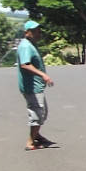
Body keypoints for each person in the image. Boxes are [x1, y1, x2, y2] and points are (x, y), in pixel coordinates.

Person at [17, 20, 55, 150]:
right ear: (27, 33)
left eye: (39, 31)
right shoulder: (26, 46)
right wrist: (43, 75)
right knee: (37, 114)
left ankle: (36, 134)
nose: (38, 34)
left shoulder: (31, 45)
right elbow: (25, 65)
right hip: (31, 87)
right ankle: (30, 142)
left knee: (42, 112)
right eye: (34, 32)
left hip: (36, 86)